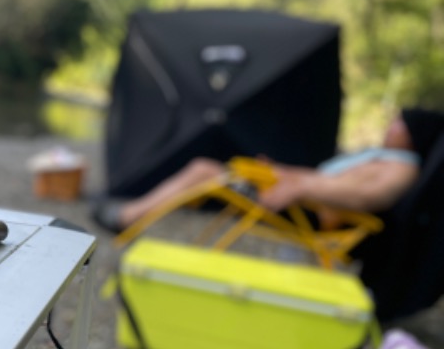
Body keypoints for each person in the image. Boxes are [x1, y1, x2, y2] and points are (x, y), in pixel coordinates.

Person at [92, 107, 444, 233]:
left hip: (304, 212)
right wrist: (282, 171)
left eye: (398, 123)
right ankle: (131, 214)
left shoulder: (400, 171)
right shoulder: (385, 160)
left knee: (203, 171)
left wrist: (296, 187)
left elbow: (365, 197)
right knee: (210, 168)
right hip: (296, 196)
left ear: (413, 133)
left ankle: (129, 217)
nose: (390, 127)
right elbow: (325, 177)